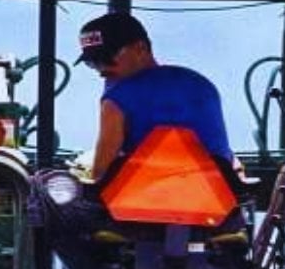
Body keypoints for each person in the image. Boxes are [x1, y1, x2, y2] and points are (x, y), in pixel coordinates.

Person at [76, 12, 233, 182]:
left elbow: (101, 174)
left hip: (143, 199)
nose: (101, 69)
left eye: (106, 58)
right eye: (92, 62)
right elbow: (223, 156)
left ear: (140, 48)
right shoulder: (202, 85)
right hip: (216, 196)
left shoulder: (116, 98)